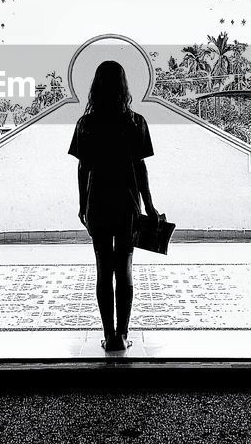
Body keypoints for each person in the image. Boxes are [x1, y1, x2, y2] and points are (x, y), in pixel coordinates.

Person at [68, 60, 159, 352]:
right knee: (125, 269)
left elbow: (83, 168)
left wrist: (83, 205)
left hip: (98, 203)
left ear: (96, 86)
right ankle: (123, 334)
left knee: (103, 270)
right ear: (124, 87)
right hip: (127, 204)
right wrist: (150, 206)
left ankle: (109, 336)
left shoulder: (86, 124)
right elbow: (140, 168)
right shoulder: (136, 122)